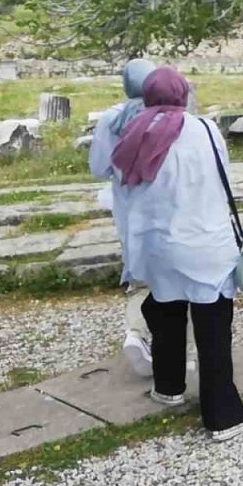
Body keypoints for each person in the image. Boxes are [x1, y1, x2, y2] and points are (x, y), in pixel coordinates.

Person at [110, 66, 243, 442]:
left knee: (166, 313)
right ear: (183, 94)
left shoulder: (134, 133)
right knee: (212, 326)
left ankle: (168, 386)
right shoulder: (204, 129)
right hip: (206, 241)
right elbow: (222, 179)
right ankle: (222, 414)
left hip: (157, 244)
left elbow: (122, 190)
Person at [88, 58, 158, 378]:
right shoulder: (166, 116)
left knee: (137, 269)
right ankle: (168, 342)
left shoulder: (112, 118)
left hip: (128, 204)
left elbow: (99, 167)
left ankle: (136, 331)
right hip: (163, 202)